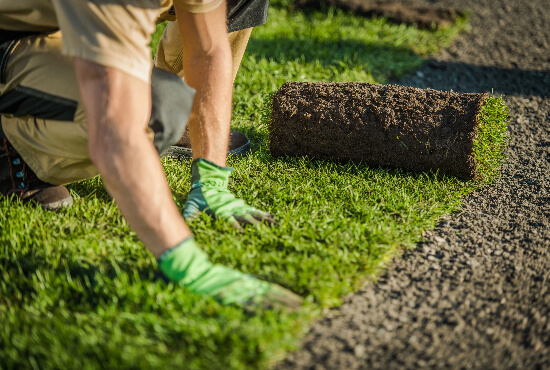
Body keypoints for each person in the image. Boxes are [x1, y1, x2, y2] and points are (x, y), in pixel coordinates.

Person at [0, 0, 303, 311]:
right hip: (16, 38)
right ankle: (12, 149)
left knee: (157, 102)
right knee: (157, 105)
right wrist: (184, 262)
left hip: (67, 23)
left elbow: (207, 50)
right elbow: (116, 122)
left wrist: (211, 181)